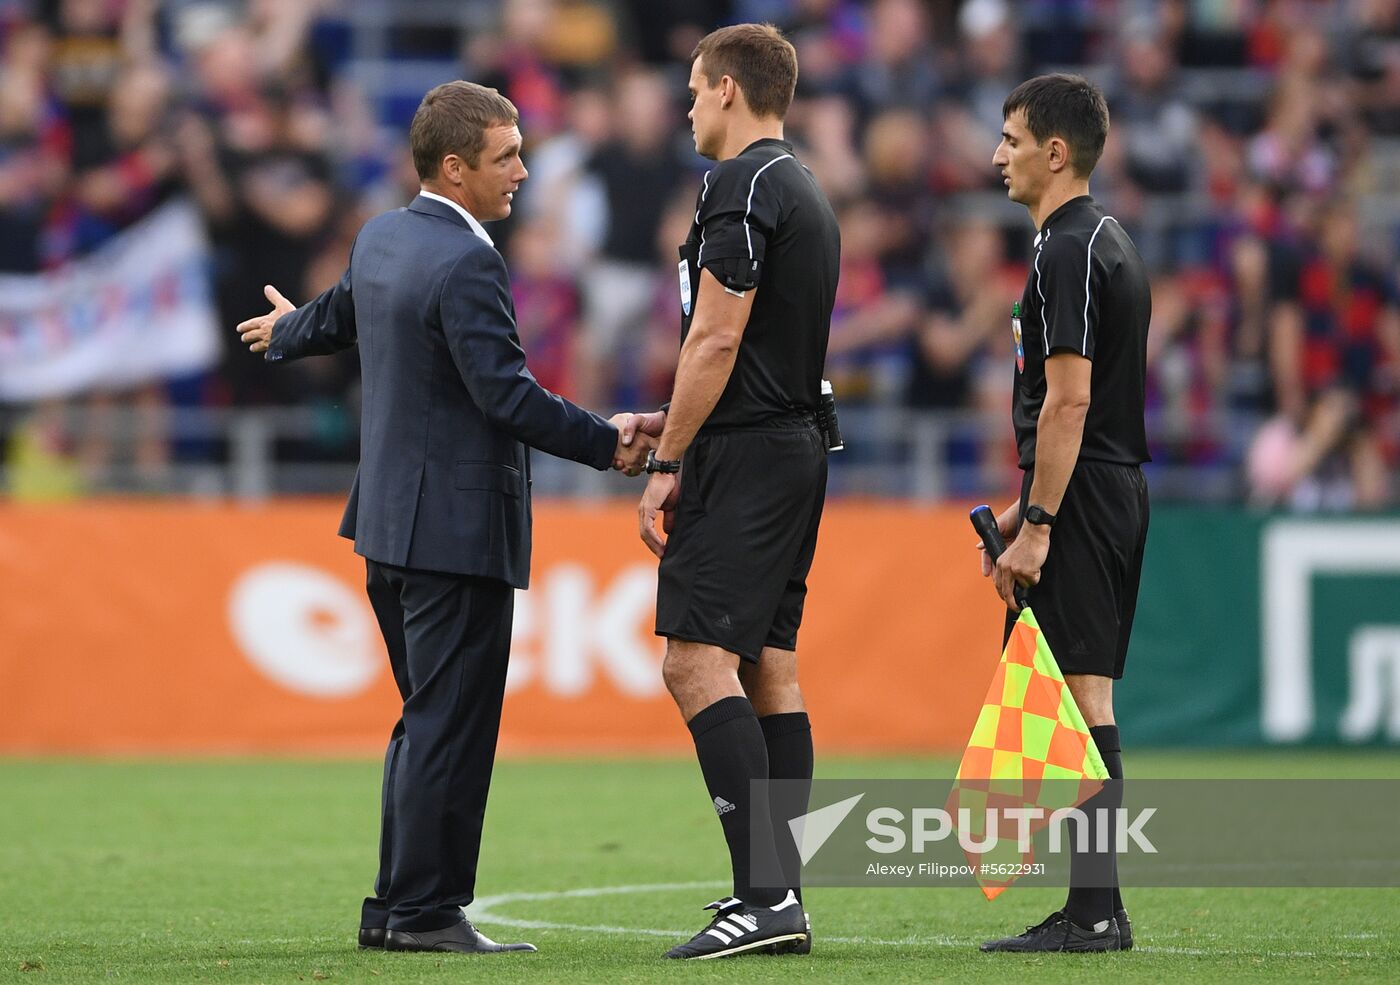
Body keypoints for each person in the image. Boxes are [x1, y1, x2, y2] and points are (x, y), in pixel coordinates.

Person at [235, 80, 654, 955]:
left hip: (388, 528)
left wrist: (287, 334)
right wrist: (607, 442)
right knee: (449, 723)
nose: (522, 172)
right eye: (506, 157)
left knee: (424, 718)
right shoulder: (468, 260)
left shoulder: (384, 234)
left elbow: (341, 312)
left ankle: (395, 906)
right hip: (456, 533)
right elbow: (502, 393)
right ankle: (425, 911)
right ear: (456, 168)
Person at [635, 24, 840, 960]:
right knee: (769, 665)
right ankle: (778, 895)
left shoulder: (741, 184)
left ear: (725, 88)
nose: (684, 106)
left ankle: (763, 898)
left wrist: (669, 459)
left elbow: (716, 339)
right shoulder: (801, 187)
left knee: (692, 661)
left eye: (690, 89)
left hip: (748, 453)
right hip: (796, 442)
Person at [979, 73, 1151, 953]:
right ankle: (1100, 905)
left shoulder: (1064, 249)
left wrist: (1041, 522)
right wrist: (1023, 506)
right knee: (1089, 696)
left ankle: (1091, 913)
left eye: (1009, 139)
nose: (995, 156)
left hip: (1083, 497)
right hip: (1107, 486)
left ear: (1054, 151)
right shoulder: (1109, 238)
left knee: (1080, 697)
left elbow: (1070, 401)